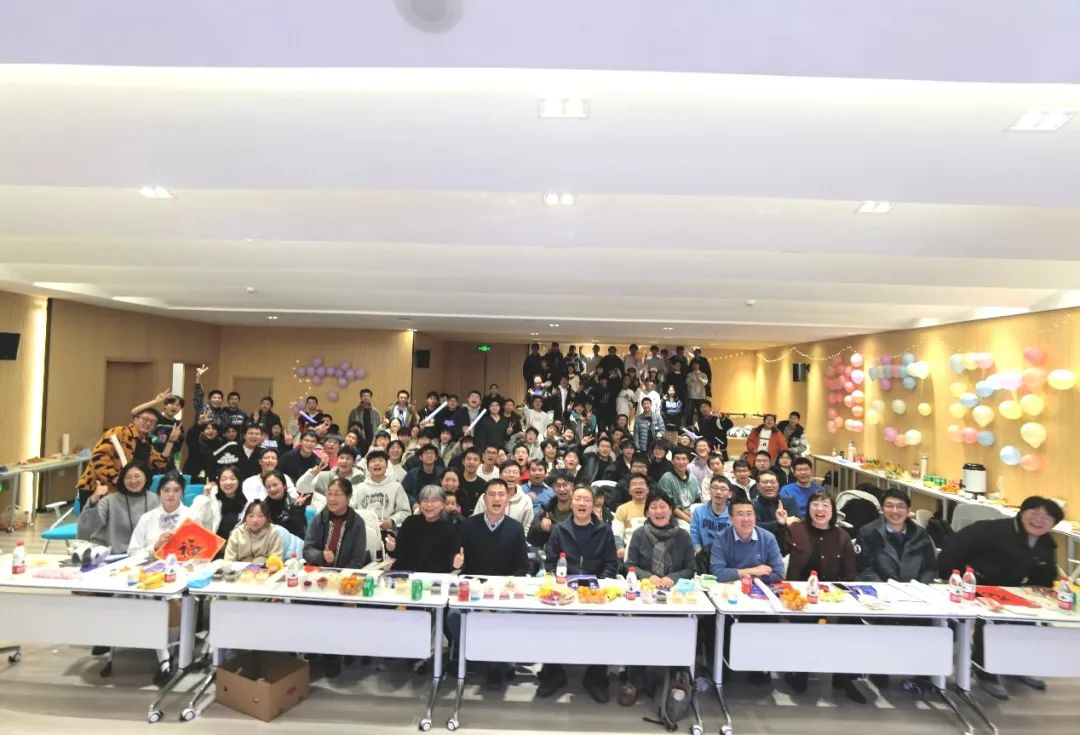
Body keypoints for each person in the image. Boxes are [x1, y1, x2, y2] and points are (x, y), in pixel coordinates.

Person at [938, 495, 1062, 700]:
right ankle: (985, 670)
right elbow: (953, 549)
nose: (1039, 520)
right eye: (1034, 513)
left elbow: (1046, 571)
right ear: (1021, 513)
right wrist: (952, 578)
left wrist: (1044, 593)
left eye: (1047, 517)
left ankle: (1016, 667)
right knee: (993, 621)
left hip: (1014, 588)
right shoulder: (990, 530)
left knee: (1029, 620)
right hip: (978, 584)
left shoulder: (1047, 542)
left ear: (1054, 524)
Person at [773, 490, 862, 702]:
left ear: (833, 510)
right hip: (799, 596)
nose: (819, 509)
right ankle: (800, 671)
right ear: (809, 508)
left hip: (831, 596)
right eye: (815, 504)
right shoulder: (796, 529)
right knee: (805, 624)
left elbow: (849, 574)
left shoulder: (842, 537)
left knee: (852, 624)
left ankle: (844, 677)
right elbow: (777, 551)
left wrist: (837, 597)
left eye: (825, 505)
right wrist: (781, 526)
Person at [539, 485, 619, 701]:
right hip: (564, 589)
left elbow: (611, 564)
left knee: (606, 621)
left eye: (587, 500)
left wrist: (597, 586)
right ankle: (553, 673)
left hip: (594, 592)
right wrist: (562, 585)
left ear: (593, 504)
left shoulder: (604, 531)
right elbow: (551, 563)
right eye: (578, 499)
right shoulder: (559, 530)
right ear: (571, 503)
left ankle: (596, 677)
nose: (582, 503)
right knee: (548, 618)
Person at [450, 479, 530, 689]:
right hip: (473, 590)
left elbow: (523, 567)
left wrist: (508, 584)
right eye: (492, 494)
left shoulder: (515, 528)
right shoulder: (468, 525)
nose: (496, 499)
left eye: (501, 494)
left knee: (503, 617)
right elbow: (456, 558)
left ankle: (494, 665)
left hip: (502, 592)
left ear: (507, 499)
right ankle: (472, 654)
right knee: (454, 616)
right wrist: (456, 562)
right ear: (484, 499)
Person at [76, 408, 178, 506]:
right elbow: (99, 456)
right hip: (98, 488)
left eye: (152, 422)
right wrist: (116, 479)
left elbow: (160, 462)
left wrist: (171, 441)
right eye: (145, 419)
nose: (148, 423)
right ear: (135, 419)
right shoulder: (120, 432)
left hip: (122, 491)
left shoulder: (145, 442)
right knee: (94, 518)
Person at [855, 488, 937, 584]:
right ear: (881, 509)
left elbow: (930, 569)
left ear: (909, 510)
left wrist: (920, 586)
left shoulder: (920, 534)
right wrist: (884, 588)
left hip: (914, 589)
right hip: (880, 589)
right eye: (889, 506)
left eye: (901, 506)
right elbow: (864, 570)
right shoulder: (868, 533)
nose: (895, 511)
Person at [77, 460, 160, 552]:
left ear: (146, 477)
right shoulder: (109, 501)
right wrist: (94, 498)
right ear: (122, 480)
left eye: (137, 476)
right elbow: (87, 526)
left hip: (147, 553)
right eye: (128, 477)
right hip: (114, 554)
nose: (133, 481)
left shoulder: (155, 499)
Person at [709, 495, 785, 583]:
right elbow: (717, 573)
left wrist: (751, 579)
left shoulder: (768, 538)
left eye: (749, 514)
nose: (746, 519)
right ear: (731, 519)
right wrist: (753, 571)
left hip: (760, 586)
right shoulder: (721, 538)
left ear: (755, 516)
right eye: (740, 514)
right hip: (732, 588)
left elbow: (779, 573)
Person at [385, 485, 457, 573]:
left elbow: (450, 562)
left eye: (434, 500)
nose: (429, 505)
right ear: (420, 504)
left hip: (432, 577)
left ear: (442, 504)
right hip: (405, 575)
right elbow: (398, 554)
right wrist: (391, 548)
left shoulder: (449, 528)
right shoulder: (410, 522)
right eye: (425, 500)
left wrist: (455, 564)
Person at [127, 471, 197, 558]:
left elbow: (200, 553)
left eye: (176, 490)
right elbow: (132, 553)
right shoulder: (146, 518)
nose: (171, 494)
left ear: (182, 492)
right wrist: (156, 546)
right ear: (159, 492)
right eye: (166, 490)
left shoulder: (192, 517)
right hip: (150, 565)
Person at [351, 449, 411, 530]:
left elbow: (405, 511)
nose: (377, 463)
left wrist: (392, 521)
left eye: (380, 460)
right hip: (364, 530)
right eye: (373, 461)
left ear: (387, 465)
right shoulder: (360, 488)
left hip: (388, 531)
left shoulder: (396, 486)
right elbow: (351, 510)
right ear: (368, 467)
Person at [191, 467, 247, 546]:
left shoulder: (247, 501)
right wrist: (205, 496)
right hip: (212, 546)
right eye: (224, 479)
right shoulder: (211, 498)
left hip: (236, 547)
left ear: (239, 481)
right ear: (219, 482)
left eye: (232, 479)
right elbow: (194, 519)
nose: (228, 482)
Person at [297, 445, 365, 510]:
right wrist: (310, 476)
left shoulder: (360, 481)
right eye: (341, 458)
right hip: (320, 516)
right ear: (337, 459)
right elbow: (301, 489)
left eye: (348, 459)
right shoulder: (324, 476)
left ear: (354, 462)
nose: (344, 461)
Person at [473, 462, 534, 534]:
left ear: (519, 476)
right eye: (507, 472)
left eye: (515, 472)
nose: (511, 475)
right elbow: (476, 521)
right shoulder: (486, 497)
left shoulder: (525, 500)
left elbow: (526, 527)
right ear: (500, 475)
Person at [224, 500, 283, 564]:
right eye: (251, 516)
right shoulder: (237, 533)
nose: (255, 520)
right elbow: (228, 560)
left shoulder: (273, 532)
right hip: (240, 568)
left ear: (267, 518)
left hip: (264, 568)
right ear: (245, 517)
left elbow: (276, 560)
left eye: (260, 516)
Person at [528, 469, 574, 547]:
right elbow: (532, 540)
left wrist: (552, 528)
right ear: (552, 488)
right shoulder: (544, 511)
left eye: (565, 485)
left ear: (572, 486)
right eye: (558, 485)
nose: (562, 489)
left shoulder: (580, 511)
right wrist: (541, 528)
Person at [690, 476, 733, 554]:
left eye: (723, 489)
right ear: (709, 490)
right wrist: (700, 553)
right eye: (715, 488)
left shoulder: (734, 514)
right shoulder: (698, 512)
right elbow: (694, 535)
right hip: (704, 554)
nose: (718, 492)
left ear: (730, 494)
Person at [263, 469, 310, 540]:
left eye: (275, 485)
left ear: (284, 486)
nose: (272, 489)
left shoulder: (296, 504)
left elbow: (298, 533)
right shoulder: (263, 508)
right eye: (268, 487)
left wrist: (295, 510)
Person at [752, 471, 800, 535]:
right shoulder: (752, 504)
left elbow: (796, 522)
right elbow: (754, 526)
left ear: (778, 484)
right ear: (757, 486)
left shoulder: (789, 501)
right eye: (765, 482)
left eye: (773, 482)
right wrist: (779, 523)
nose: (769, 485)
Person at [657, 447, 697, 523]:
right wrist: (688, 519)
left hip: (691, 513)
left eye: (684, 459)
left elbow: (697, 500)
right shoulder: (667, 478)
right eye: (678, 459)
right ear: (672, 461)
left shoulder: (693, 478)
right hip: (673, 516)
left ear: (688, 461)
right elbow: (669, 505)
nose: (681, 462)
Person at [347, 388, 381, 453]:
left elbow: (379, 426)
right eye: (364, 396)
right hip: (359, 439)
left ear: (370, 397)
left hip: (373, 439)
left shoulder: (376, 412)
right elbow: (350, 427)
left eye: (368, 396)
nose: (366, 397)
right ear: (361, 397)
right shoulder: (354, 412)